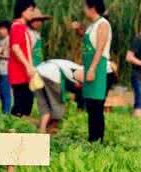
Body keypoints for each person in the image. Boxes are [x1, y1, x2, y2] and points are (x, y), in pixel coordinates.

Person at [82, 0, 112, 142]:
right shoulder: (91, 26)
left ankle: (97, 140)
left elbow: (100, 48)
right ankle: (92, 139)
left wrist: (92, 69)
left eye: (85, 6)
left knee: (97, 107)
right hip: (90, 68)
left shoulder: (103, 24)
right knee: (91, 107)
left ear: (92, 8)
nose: (83, 9)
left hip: (99, 70)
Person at [35, 59, 84, 133]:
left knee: (44, 103)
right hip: (52, 75)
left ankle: (42, 129)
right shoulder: (82, 70)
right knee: (57, 103)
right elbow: (80, 81)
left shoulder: (72, 65)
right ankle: (52, 128)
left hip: (37, 72)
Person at [9, 0, 36, 117]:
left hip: (24, 72)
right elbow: (16, 47)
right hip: (19, 72)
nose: (32, 13)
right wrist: (27, 65)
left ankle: (19, 129)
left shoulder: (22, 27)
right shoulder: (17, 27)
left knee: (26, 103)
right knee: (21, 105)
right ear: (22, 10)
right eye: (30, 10)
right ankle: (13, 129)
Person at [0, 21, 12, 114]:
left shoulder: (10, 40)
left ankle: (6, 113)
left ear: (7, 30)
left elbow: (11, 56)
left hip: (6, 71)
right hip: (0, 70)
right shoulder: (1, 41)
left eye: (2, 29)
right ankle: (3, 112)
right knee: (1, 93)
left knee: (6, 93)